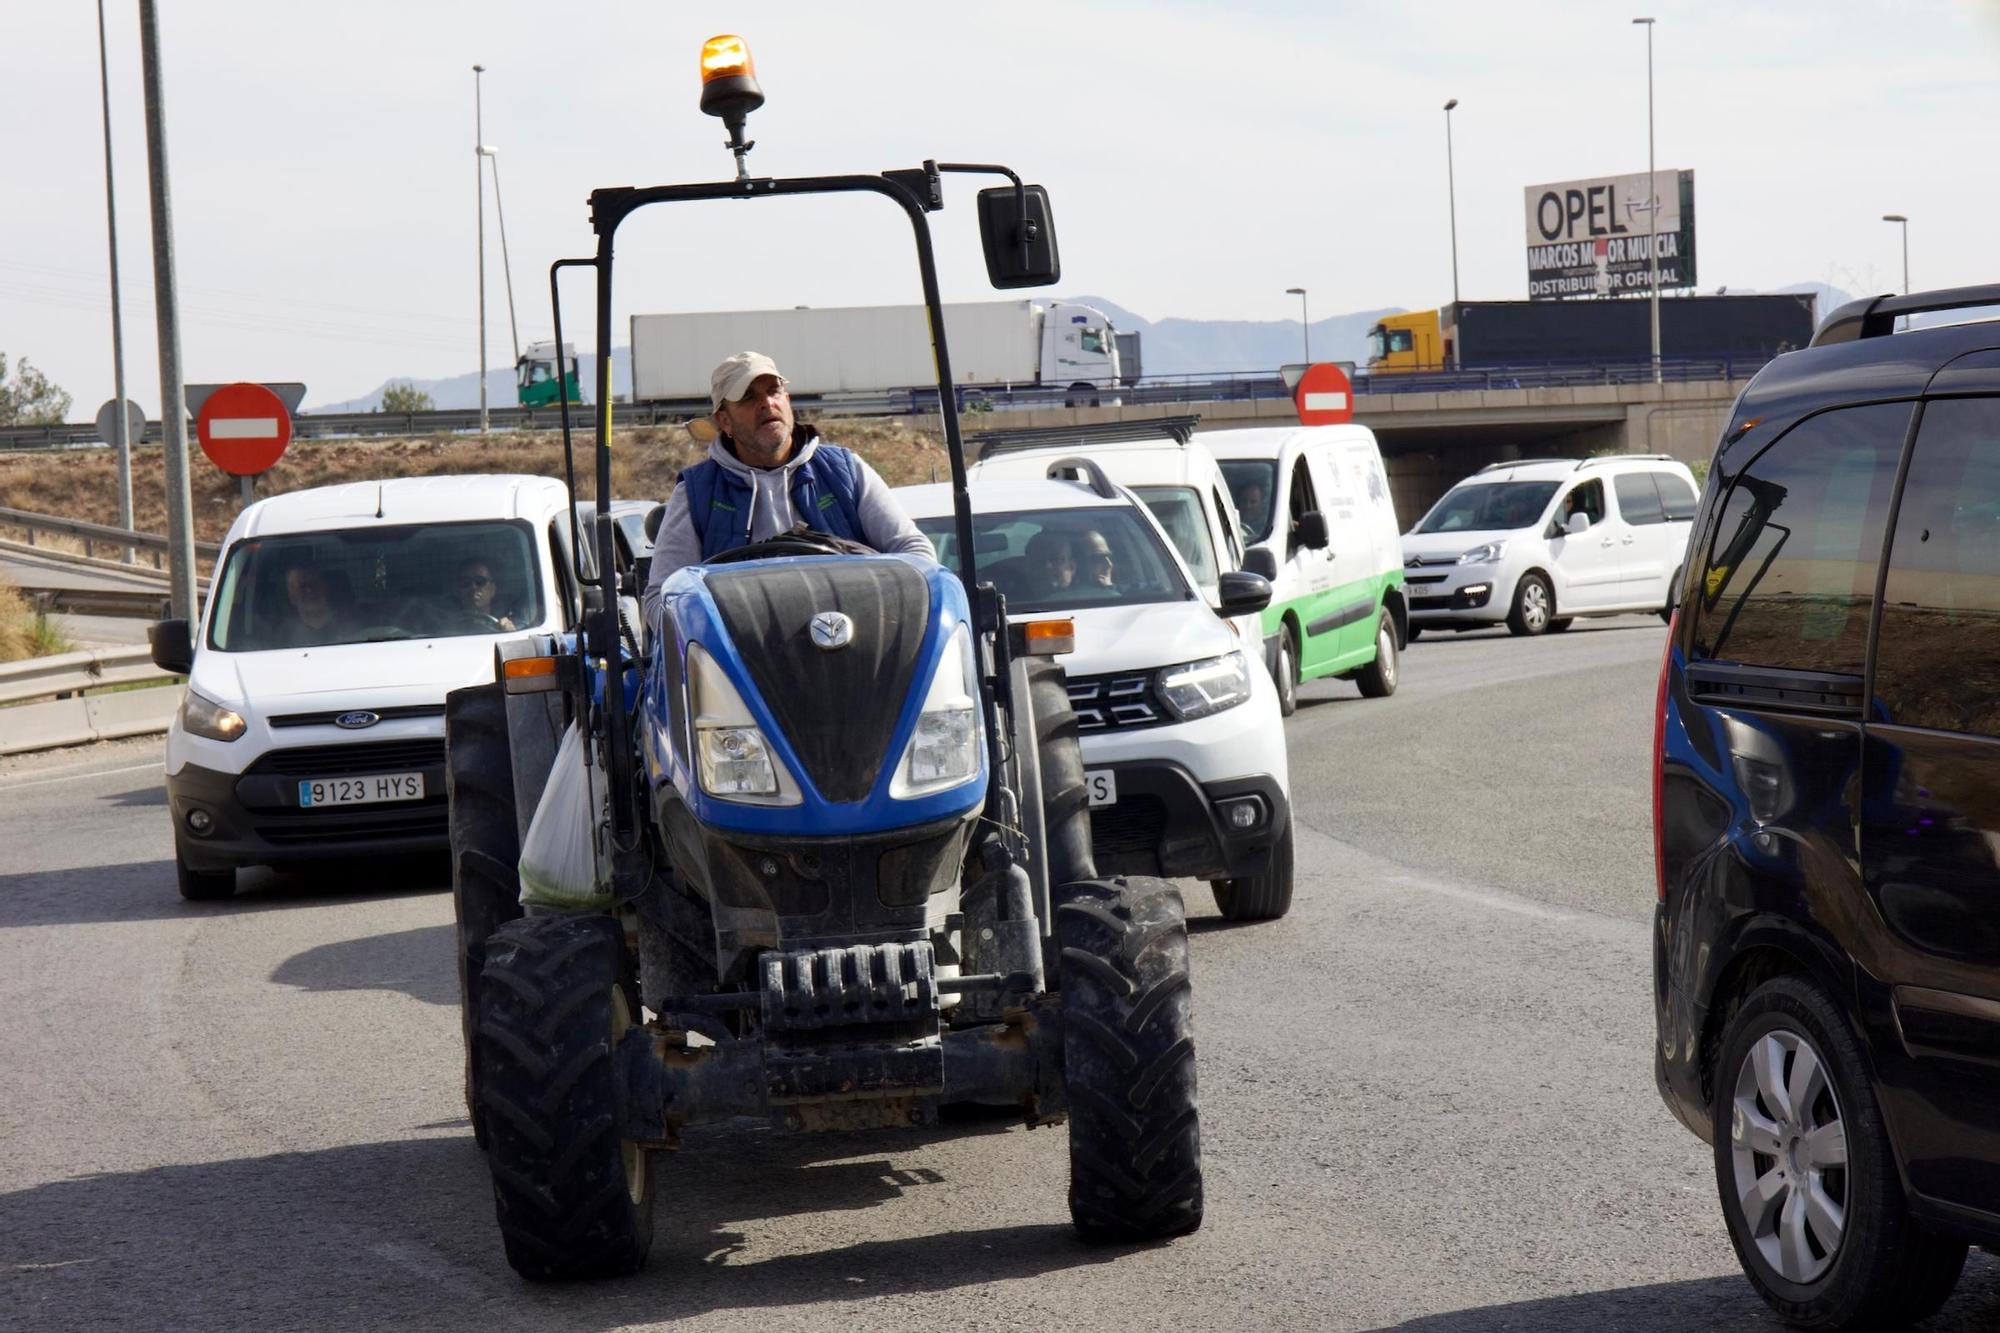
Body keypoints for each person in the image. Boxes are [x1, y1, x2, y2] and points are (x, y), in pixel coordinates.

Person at [642, 351, 936, 628]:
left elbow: (915, 553)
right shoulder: (696, 493)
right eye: (748, 397)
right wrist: (715, 634)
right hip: (742, 665)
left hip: (856, 645)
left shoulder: (845, 471)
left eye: (774, 391)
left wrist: (875, 609)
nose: (767, 403)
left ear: (788, 400)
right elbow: (660, 598)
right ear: (724, 420)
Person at [276, 559, 354, 647]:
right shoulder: (283, 635)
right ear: (292, 596)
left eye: (314, 583)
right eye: (302, 587)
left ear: (325, 587)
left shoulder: (353, 624)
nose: (310, 591)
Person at [452, 557, 516, 631]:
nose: (473, 587)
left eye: (480, 581)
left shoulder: (506, 624)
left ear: (492, 589)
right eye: (465, 582)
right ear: (458, 591)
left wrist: (509, 633)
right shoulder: (444, 629)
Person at [1024, 530, 1076, 594]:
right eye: (1038, 560)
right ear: (1026, 567)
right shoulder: (1013, 601)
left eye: (1055, 559)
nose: (1046, 565)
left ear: (1072, 566)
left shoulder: (1087, 599)